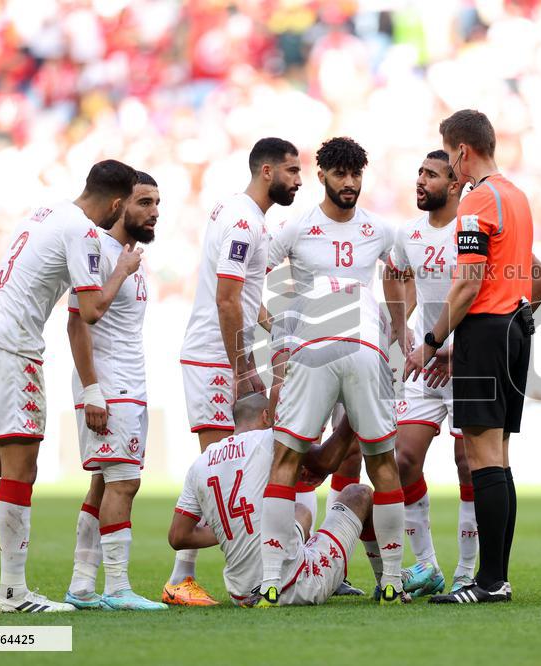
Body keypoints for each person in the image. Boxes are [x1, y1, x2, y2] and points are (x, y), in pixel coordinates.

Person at [0, 159, 141, 613]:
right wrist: (123, 268)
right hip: (10, 346)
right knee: (20, 469)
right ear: (117, 203)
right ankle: (14, 593)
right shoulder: (80, 229)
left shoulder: (45, 212)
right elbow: (91, 310)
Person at [405, 110, 541, 604]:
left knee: (482, 456)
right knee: (500, 458)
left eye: (448, 156)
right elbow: (530, 274)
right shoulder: (517, 197)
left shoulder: (478, 203)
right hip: (517, 328)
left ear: (462, 152)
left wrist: (430, 340)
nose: (451, 165)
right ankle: (497, 578)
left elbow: (467, 283)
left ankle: (487, 583)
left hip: (486, 333)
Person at [167, 138, 301, 606]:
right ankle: (181, 577)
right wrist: (243, 367)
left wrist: (272, 330)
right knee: (220, 467)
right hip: (213, 358)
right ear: (267, 171)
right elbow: (226, 297)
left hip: (218, 354)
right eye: (291, 170)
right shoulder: (245, 221)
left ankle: (187, 575)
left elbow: (241, 295)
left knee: (227, 468)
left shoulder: (241, 213)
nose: (298, 180)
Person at [265, 136, 395, 595]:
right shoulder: (297, 226)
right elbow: (251, 276)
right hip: (309, 352)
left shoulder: (378, 229)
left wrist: (399, 327)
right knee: (298, 452)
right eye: (340, 174)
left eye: (356, 174)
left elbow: (402, 276)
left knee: (359, 452)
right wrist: (274, 334)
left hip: (361, 347)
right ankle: (289, 562)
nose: (349, 183)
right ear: (321, 176)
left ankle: (364, 572)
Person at [258, 275, 409, 605]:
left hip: (311, 353)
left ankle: (270, 582)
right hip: (369, 351)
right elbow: (385, 356)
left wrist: (283, 440)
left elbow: (280, 375)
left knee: (283, 462)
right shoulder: (371, 301)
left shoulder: (293, 306)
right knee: (383, 465)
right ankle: (393, 584)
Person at [64, 171, 165, 611]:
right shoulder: (99, 251)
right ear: (120, 204)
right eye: (143, 202)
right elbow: (76, 322)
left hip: (130, 384)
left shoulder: (130, 257)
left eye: (157, 202)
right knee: (125, 483)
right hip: (109, 385)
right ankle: (118, 588)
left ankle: (82, 586)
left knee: (103, 487)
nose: (153, 212)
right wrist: (92, 390)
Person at [168, 393, 374, 607]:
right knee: (359, 494)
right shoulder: (270, 439)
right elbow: (327, 461)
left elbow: (178, 537)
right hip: (293, 585)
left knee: (300, 511)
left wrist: (233, 529)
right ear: (266, 416)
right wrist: (355, 409)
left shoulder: (200, 463)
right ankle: (387, 583)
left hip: (240, 592)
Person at [381, 150, 476, 596]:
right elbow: (394, 273)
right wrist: (402, 331)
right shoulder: (410, 233)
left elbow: (538, 279)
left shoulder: (474, 226)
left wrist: (463, 345)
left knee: (467, 464)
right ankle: (428, 566)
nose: (420, 180)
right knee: (402, 459)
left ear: (455, 184)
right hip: (426, 361)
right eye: (418, 172)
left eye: (431, 175)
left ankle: (468, 572)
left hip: (469, 361)